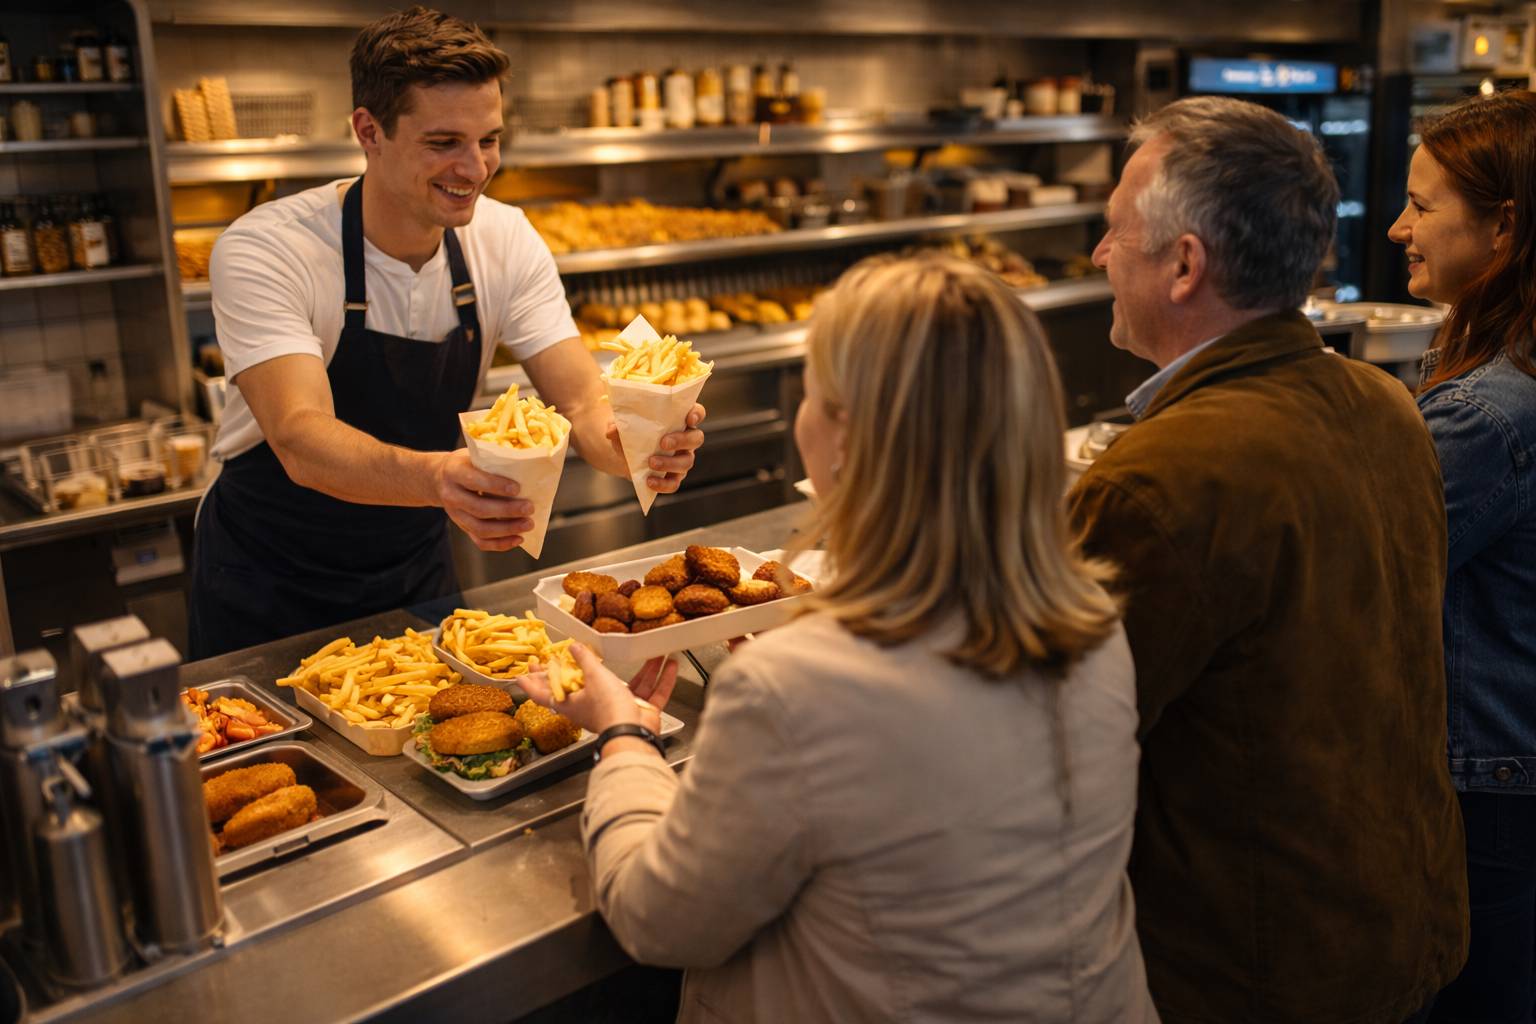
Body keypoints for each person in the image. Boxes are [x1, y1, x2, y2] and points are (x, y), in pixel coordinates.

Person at [521, 254, 1157, 1023]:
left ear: (848, 439)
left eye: (812, 392)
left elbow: (660, 920)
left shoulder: (797, 689)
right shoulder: (1093, 626)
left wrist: (625, 738)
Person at [1067, 95, 1468, 1023]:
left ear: (1184, 265)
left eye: (1116, 229)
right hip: (1399, 929)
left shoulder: (1161, 477)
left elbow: (1058, 743)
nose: (1098, 254)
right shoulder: (1384, 403)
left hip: (1250, 972)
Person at [188, 7, 704, 658]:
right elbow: (299, 435)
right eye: (444, 143)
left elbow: (579, 399)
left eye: (489, 139)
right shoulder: (268, 247)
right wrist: (440, 480)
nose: (476, 167)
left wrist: (632, 439)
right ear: (368, 131)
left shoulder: (504, 238)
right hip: (268, 581)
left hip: (415, 567)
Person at [1387, 89, 1536, 1023]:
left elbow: (1369, 569)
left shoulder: (1487, 414)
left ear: (1504, 226)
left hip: (1491, 791)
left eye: (1421, 206)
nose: (1399, 229)